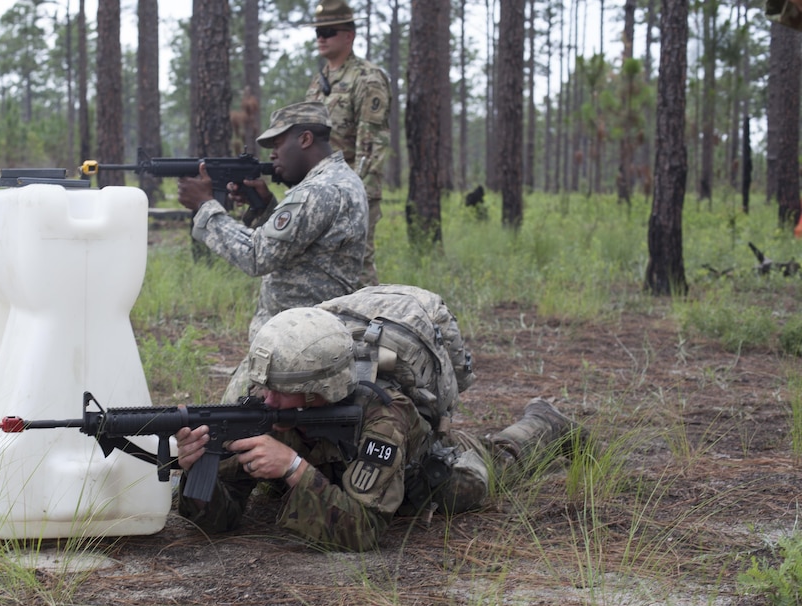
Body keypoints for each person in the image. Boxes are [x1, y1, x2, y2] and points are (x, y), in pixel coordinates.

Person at [174, 307, 586, 552]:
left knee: (486, 472)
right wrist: (197, 470)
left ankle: (545, 421)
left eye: (281, 391)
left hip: (427, 474)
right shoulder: (269, 404)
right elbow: (220, 520)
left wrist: (293, 468)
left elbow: (365, 529)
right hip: (337, 477)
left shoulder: (383, 418)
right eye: (265, 386)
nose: (266, 399)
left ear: (317, 393)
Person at [176, 101, 368, 343]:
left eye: (278, 144)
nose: (272, 154)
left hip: (298, 341)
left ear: (305, 139)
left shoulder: (317, 191)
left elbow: (256, 256)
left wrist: (205, 206)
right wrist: (265, 207)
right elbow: (302, 248)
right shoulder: (344, 179)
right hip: (313, 333)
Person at [304, 0, 392, 287]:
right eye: (318, 31)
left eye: (328, 31)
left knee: (358, 265)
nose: (321, 38)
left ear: (349, 36)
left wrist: (352, 194)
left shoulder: (367, 79)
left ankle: (375, 327)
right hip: (319, 190)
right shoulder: (318, 83)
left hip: (355, 191)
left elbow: (372, 145)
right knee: (321, 266)